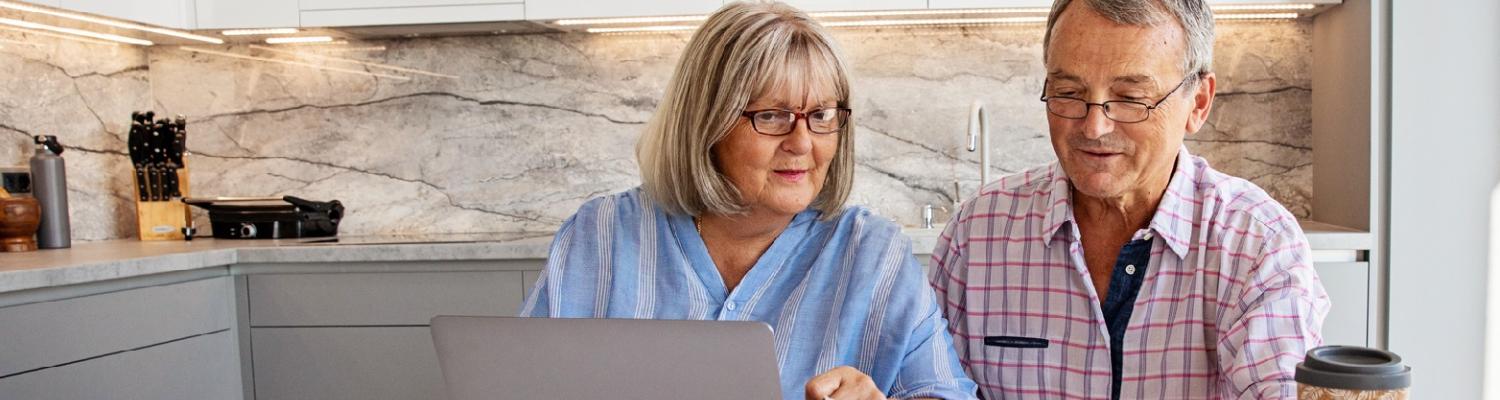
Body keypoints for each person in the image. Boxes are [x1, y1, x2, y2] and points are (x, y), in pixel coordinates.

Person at [520, 2, 978, 399]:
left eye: (820, 115)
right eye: (773, 115)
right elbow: (520, 383)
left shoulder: (874, 253)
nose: (803, 142)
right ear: (708, 124)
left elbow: (944, 392)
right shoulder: (601, 235)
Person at [929, 0, 1330, 398]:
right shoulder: (977, 234)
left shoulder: (1256, 244)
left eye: (1130, 97)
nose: (1095, 126)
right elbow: (927, 385)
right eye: (1068, 92)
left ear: (1199, 103)